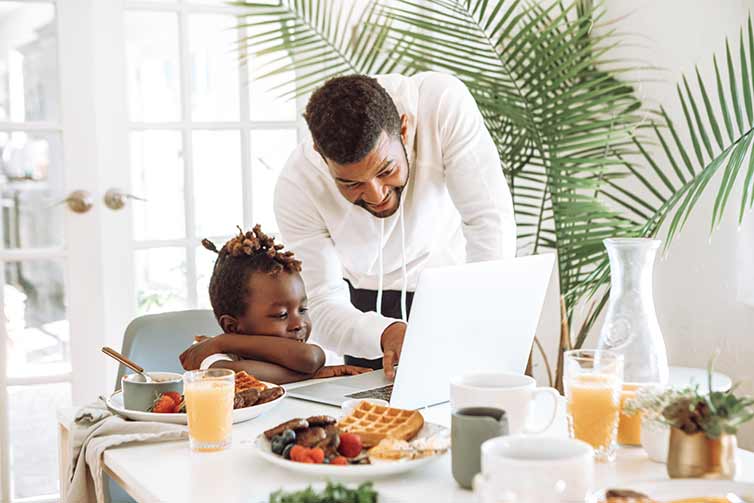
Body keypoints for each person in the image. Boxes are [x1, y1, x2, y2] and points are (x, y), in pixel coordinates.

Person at [274, 72, 516, 378]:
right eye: (351, 184)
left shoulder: (441, 104)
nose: (376, 195)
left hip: (452, 288)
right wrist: (383, 332)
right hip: (359, 308)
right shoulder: (297, 185)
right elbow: (320, 304)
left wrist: (478, 317)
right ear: (321, 158)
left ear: (404, 129)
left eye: (386, 170)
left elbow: (489, 218)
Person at [178, 225, 369, 384]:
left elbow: (312, 357)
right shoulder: (208, 354)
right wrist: (314, 374)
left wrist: (224, 340)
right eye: (281, 315)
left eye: (302, 310)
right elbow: (238, 377)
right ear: (232, 326)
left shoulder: (219, 344)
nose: (298, 323)